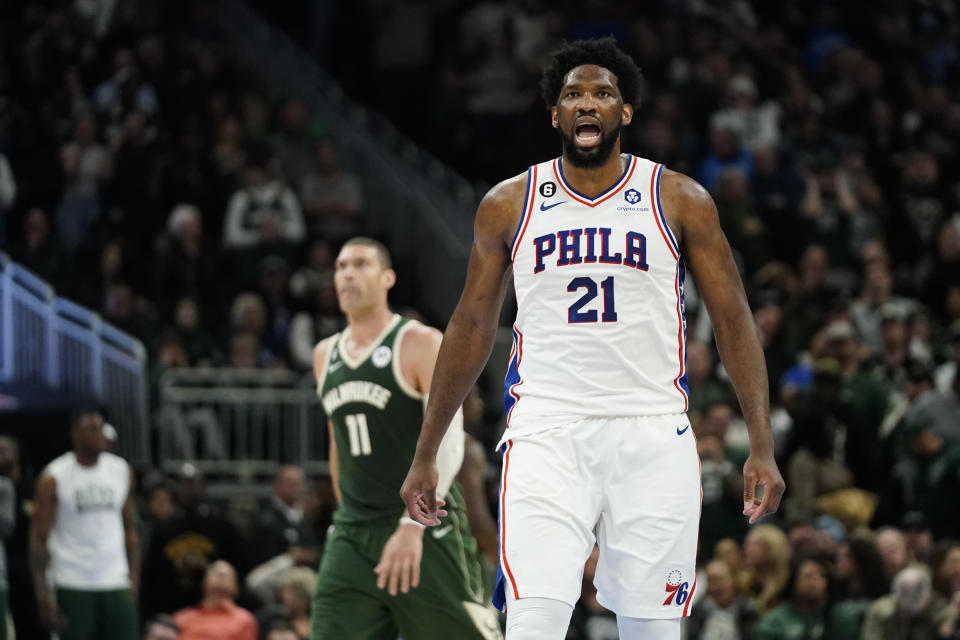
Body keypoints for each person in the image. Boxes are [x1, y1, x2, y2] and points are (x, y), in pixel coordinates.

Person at [400, 37, 785, 640]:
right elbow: (472, 326)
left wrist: (760, 440)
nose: (587, 103)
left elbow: (734, 319)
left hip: (652, 429)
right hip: (547, 431)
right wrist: (427, 451)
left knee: (653, 631)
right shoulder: (509, 204)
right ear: (554, 113)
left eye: (603, 93)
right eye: (573, 94)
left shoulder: (679, 198)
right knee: (534, 622)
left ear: (624, 112)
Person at [309, 237, 501, 639]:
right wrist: (344, 518)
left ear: (387, 278)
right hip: (353, 532)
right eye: (341, 266)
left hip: (425, 527)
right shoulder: (325, 354)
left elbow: (450, 441)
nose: (347, 274)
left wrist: (412, 526)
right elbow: (337, 446)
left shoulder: (418, 342)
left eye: (361, 264)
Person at [29, 407, 140, 640]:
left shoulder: (121, 470)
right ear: (74, 435)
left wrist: (134, 579)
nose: (98, 434)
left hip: (115, 580)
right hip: (71, 580)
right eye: (90, 429)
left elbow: (130, 529)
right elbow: (39, 538)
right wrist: (43, 595)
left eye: (100, 428)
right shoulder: (54, 476)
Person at [173, 560, 257, 640]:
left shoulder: (244, 620)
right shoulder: (182, 617)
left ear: (236, 587)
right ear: (204, 582)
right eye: (215, 573)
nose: (221, 574)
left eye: (227, 575)